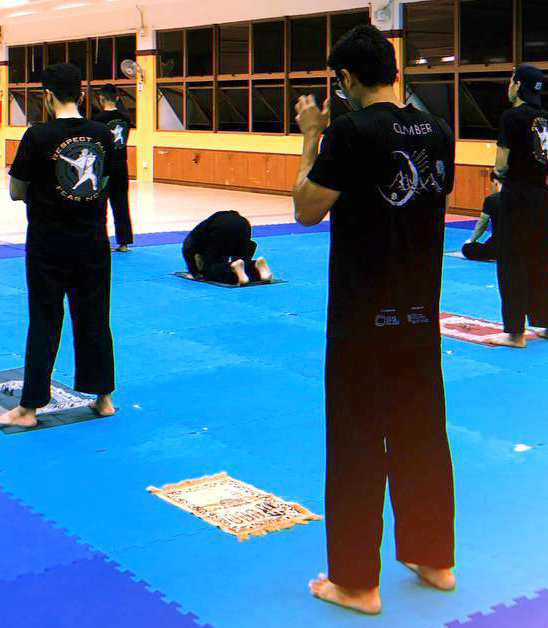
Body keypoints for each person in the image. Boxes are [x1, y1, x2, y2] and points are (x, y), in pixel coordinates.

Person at [292, 25, 456, 614]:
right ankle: (434, 559)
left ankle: (356, 583)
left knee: (358, 441)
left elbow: (306, 209)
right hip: (419, 314)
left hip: (364, 317)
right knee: (422, 433)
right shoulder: (438, 132)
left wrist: (312, 138)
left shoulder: (348, 132)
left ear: (346, 79)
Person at [0, 63, 117, 428]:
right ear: (80, 94)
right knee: (94, 317)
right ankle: (104, 398)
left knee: (45, 320)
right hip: (93, 241)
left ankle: (29, 408)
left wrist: (41, 195)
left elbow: (16, 191)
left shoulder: (38, 135)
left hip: (49, 243)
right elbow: (102, 183)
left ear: (47, 96)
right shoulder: (103, 134)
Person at [489, 64, 548, 348]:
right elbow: (547, 156)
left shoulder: (511, 117)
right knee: (541, 258)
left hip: (516, 194)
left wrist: (498, 177)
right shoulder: (545, 117)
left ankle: (515, 332)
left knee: (512, 260)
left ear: (518, 85)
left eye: (511, 81)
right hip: (541, 195)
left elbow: (502, 160)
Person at [92, 84, 134, 252]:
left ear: (101, 98)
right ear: (117, 98)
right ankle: (124, 242)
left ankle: (103, 241)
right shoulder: (125, 118)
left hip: (104, 166)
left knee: (100, 205)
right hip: (122, 164)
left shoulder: (97, 120)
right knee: (121, 203)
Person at [181, 211, 273, 285]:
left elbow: (186, 248)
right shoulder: (203, 233)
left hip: (221, 227)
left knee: (211, 270)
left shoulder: (195, 239)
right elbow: (251, 245)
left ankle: (234, 270)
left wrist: (194, 272)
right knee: (241, 263)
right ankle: (256, 266)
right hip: (243, 223)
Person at [461, 180, 503, 261]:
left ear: (495, 182)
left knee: (466, 248)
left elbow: (482, 225)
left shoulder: (492, 199)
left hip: (500, 245)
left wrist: (471, 240)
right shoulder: (521, 198)